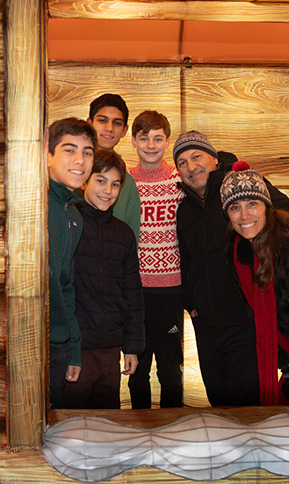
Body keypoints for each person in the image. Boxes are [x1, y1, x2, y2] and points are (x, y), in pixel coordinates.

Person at [173, 130, 289, 406]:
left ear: (214, 159)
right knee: (219, 403)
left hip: (244, 323)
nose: (191, 167)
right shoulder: (185, 210)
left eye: (197, 156)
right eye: (182, 162)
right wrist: (191, 303)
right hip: (205, 325)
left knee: (249, 407)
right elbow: (187, 260)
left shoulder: (241, 188)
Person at [63, 149, 146, 409]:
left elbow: (133, 293)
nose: (107, 191)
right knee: (70, 423)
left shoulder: (124, 234)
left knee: (108, 423)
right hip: (75, 349)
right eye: (101, 181)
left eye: (115, 184)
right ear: (85, 180)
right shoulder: (68, 223)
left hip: (111, 350)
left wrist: (131, 347)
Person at [220, 160, 289, 405]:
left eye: (252, 203)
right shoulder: (237, 253)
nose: (244, 215)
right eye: (234, 207)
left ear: (266, 205)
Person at [127, 110, 184, 409]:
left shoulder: (179, 180)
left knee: (171, 370)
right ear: (133, 141)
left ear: (167, 141)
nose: (151, 144)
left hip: (171, 289)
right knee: (137, 370)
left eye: (158, 138)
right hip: (135, 289)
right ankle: (140, 428)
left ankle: (171, 428)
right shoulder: (123, 182)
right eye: (144, 138)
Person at [47, 117, 96, 409]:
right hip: (25, 345)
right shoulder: (33, 200)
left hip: (58, 348)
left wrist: (74, 349)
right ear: (47, 154)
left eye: (87, 152)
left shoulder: (74, 215)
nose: (80, 160)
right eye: (69, 150)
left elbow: (66, 287)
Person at [85, 93, 141, 237]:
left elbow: (130, 238)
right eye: (102, 120)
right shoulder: (73, 174)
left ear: (124, 131)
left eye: (117, 123)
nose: (109, 128)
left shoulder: (127, 182)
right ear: (89, 124)